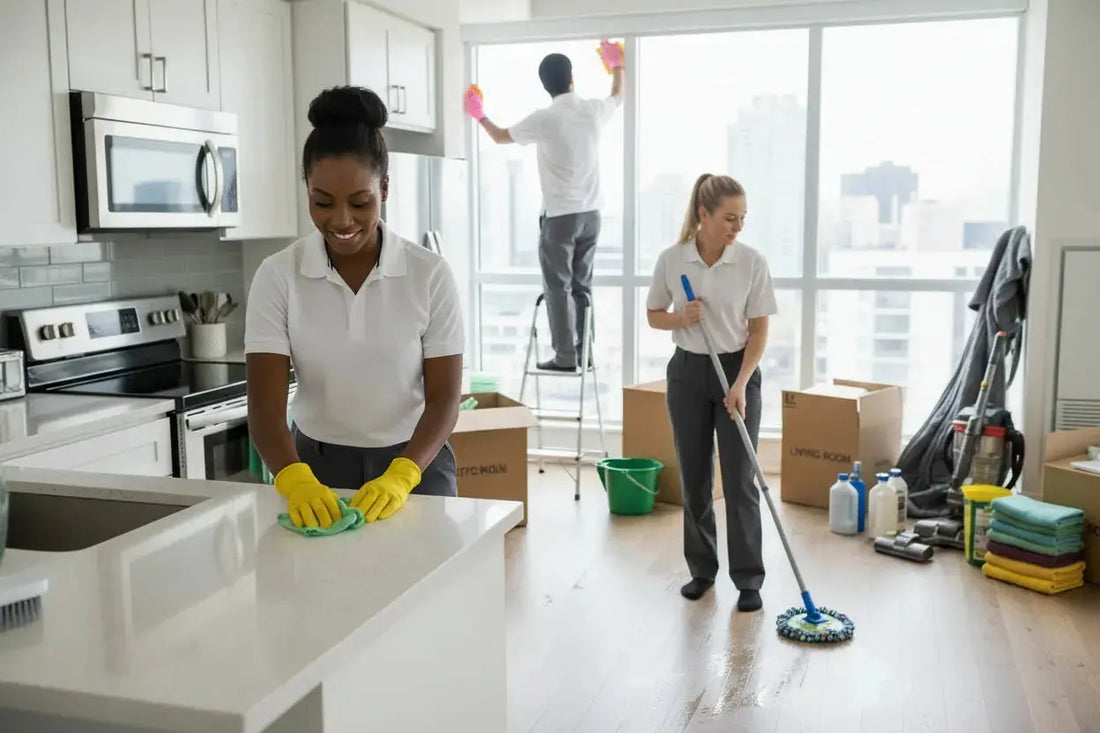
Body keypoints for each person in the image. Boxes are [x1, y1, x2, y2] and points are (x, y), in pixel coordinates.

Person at [245, 86, 465, 529]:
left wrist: (403, 475)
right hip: (314, 472)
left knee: (430, 595)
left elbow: (444, 399)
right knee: (321, 596)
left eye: (360, 202)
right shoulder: (278, 275)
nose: (341, 221)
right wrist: (294, 479)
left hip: (416, 466)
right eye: (322, 201)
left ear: (384, 187)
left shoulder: (429, 274)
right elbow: (265, 408)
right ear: (306, 187)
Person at [645, 174, 777, 611]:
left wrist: (741, 384)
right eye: (729, 218)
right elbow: (653, 315)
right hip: (687, 373)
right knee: (695, 477)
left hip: (737, 371)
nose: (737, 227)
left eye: (742, 219)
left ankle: (749, 579)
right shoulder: (673, 259)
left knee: (740, 479)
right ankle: (702, 570)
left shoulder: (751, 262)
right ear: (703, 214)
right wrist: (681, 317)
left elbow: (759, 330)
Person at [464, 41, 625, 371]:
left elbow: (499, 136)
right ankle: (585, 353)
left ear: (545, 85)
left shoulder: (546, 118)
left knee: (558, 288)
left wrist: (479, 114)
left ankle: (566, 356)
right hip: (593, 215)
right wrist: (617, 65)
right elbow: (618, 96)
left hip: (561, 218)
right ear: (571, 79)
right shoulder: (592, 110)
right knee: (583, 288)